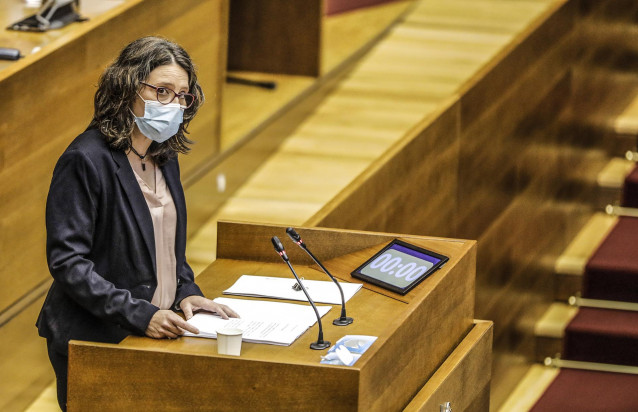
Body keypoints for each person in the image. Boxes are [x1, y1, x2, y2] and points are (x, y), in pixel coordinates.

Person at [36, 36, 238, 411]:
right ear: (128, 87)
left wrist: (185, 290)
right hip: (96, 337)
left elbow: (165, 243)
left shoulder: (164, 155)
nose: (173, 104)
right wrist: (142, 315)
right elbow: (68, 263)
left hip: (152, 332)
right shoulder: (85, 159)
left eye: (182, 95)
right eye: (162, 91)